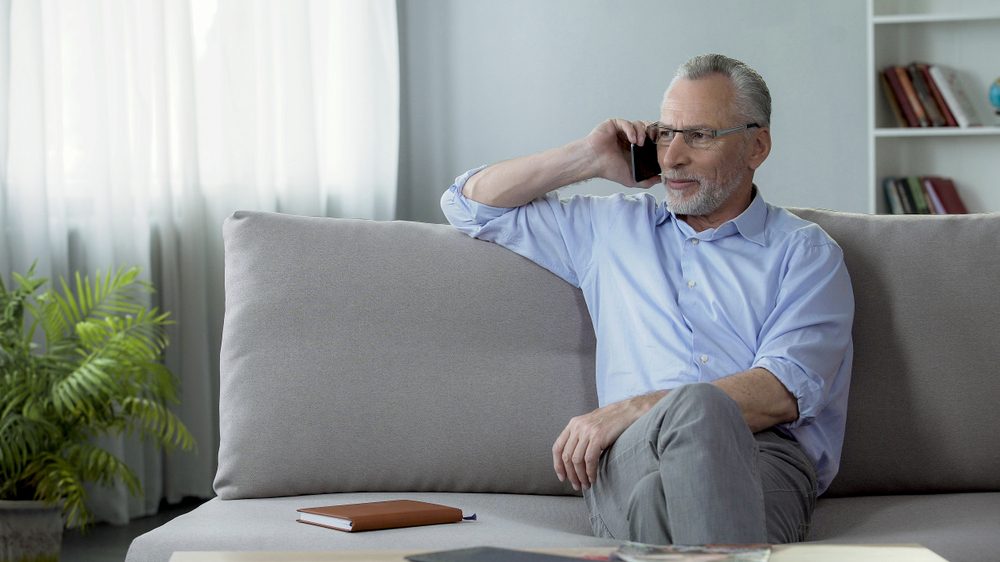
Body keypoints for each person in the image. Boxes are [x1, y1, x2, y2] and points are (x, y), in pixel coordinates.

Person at [440, 53, 854, 545]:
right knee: (681, 451)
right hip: (630, 456)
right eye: (665, 133)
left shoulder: (804, 253)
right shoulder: (610, 228)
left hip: (760, 457)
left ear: (756, 145)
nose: (672, 157)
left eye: (698, 136)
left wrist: (637, 407)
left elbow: (784, 389)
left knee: (666, 490)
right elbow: (468, 206)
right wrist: (587, 158)